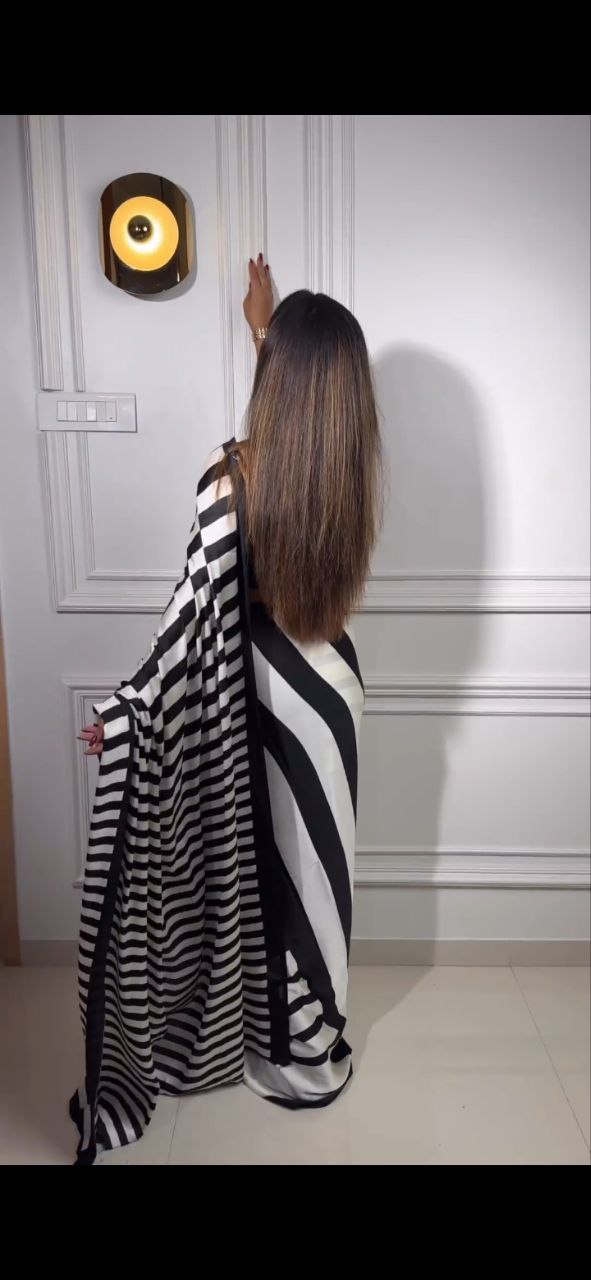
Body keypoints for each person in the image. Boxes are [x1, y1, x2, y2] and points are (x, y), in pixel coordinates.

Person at [72, 253, 383, 1163]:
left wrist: (127, 710)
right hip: (332, 693)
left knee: (267, 881)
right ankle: (312, 1056)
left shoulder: (232, 475)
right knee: (317, 880)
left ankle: (281, 1062)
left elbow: (186, 617)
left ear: (279, 378)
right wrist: (263, 326)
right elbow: (299, 422)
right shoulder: (343, 467)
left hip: (267, 699)